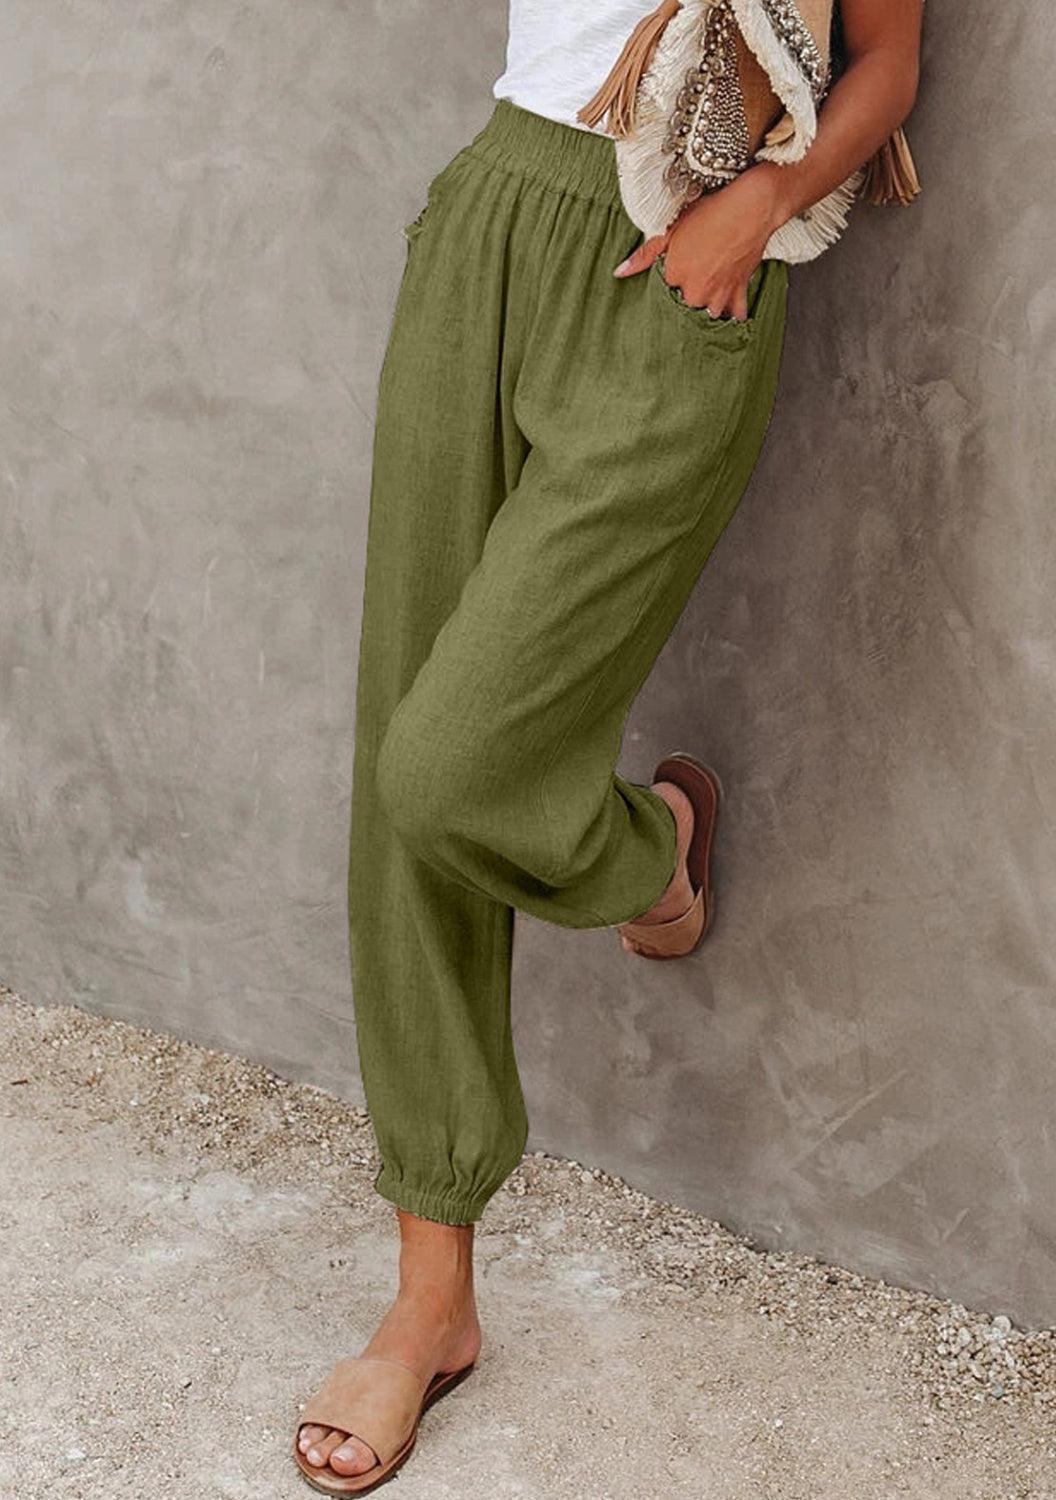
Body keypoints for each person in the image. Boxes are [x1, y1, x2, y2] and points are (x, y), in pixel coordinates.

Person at [294, 0, 922, 1489]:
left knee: (448, 765)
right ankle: (429, 1298)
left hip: (682, 263)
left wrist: (762, 201)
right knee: (405, 753)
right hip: (495, 215)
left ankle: (645, 852)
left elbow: (885, 60)